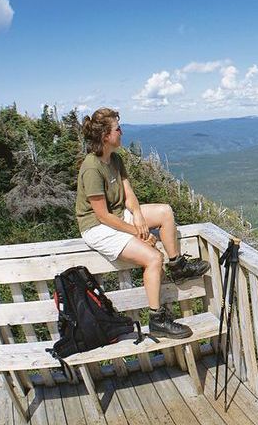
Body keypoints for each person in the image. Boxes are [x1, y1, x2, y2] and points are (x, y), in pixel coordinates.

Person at [75, 107, 210, 339]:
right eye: (118, 129)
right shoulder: (91, 168)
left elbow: (128, 193)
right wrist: (138, 233)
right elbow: (102, 216)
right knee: (154, 258)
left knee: (165, 212)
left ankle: (177, 267)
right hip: (97, 227)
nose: (121, 132)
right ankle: (157, 319)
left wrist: (137, 215)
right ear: (106, 136)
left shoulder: (114, 159)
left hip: (118, 216)